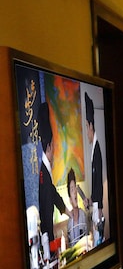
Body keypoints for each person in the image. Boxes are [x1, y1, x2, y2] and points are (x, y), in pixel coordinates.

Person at [37, 102, 67, 241]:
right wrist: (50, 240)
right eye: (53, 145)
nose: (54, 149)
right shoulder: (43, 173)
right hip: (46, 236)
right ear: (49, 147)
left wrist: (67, 211)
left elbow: (53, 194)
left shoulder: (45, 171)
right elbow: (47, 212)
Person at [83, 92, 104, 214]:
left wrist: (99, 209)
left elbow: (99, 185)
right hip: (95, 207)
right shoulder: (94, 148)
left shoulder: (97, 151)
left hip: (97, 210)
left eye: (86, 127)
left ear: (91, 126)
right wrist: (90, 200)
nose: (86, 132)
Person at [66, 168, 87, 244]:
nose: (75, 192)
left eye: (75, 188)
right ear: (70, 200)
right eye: (72, 189)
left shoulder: (83, 214)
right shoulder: (69, 223)